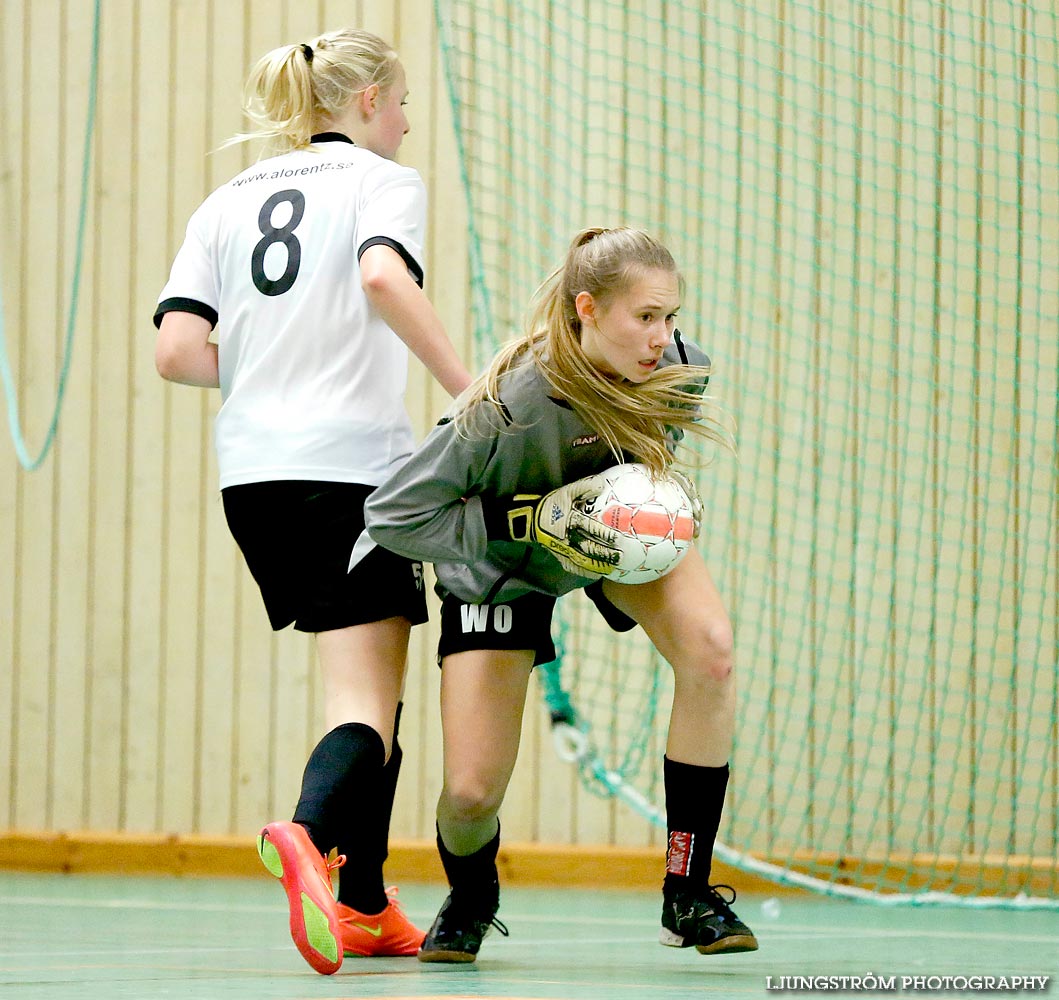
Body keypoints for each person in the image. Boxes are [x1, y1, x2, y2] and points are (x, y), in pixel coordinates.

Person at [153, 27, 471, 976]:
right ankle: (306, 835)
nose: (408, 126)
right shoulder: (381, 182)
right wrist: (465, 385)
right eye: (404, 103)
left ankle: (367, 901)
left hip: (251, 474)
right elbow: (381, 276)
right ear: (368, 99)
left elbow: (175, 352)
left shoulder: (224, 201)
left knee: (374, 690)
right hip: (350, 471)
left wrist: (271, 369)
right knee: (366, 703)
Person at [362, 226, 758, 963]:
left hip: (602, 543)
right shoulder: (507, 402)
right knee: (473, 792)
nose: (662, 337)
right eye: (644, 317)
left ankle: (687, 891)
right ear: (587, 309)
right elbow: (393, 515)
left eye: (669, 317)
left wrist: (645, 508)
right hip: (500, 567)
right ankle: (472, 892)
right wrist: (528, 519)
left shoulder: (680, 370)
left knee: (711, 654)